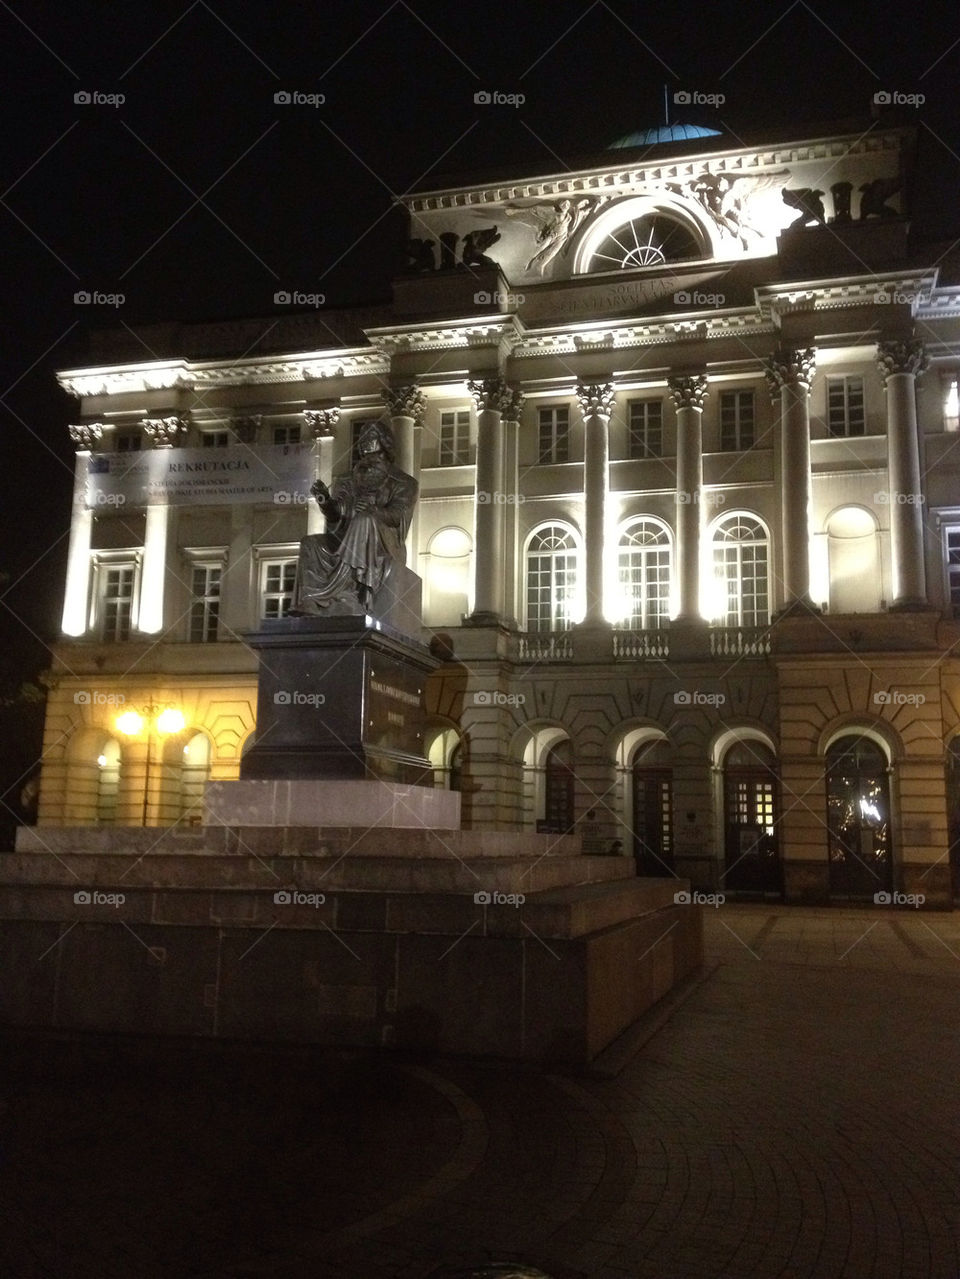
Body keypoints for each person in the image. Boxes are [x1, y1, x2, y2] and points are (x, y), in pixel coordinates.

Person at [294, 420, 418, 613]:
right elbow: (336, 515)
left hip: (384, 542)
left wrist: (373, 510)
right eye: (362, 438)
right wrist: (324, 500)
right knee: (310, 543)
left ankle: (350, 593)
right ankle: (311, 600)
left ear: (384, 443)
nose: (364, 442)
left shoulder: (403, 482)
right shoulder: (347, 480)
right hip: (346, 538)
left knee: (364, 520)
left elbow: (398, 516)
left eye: (371, 437)